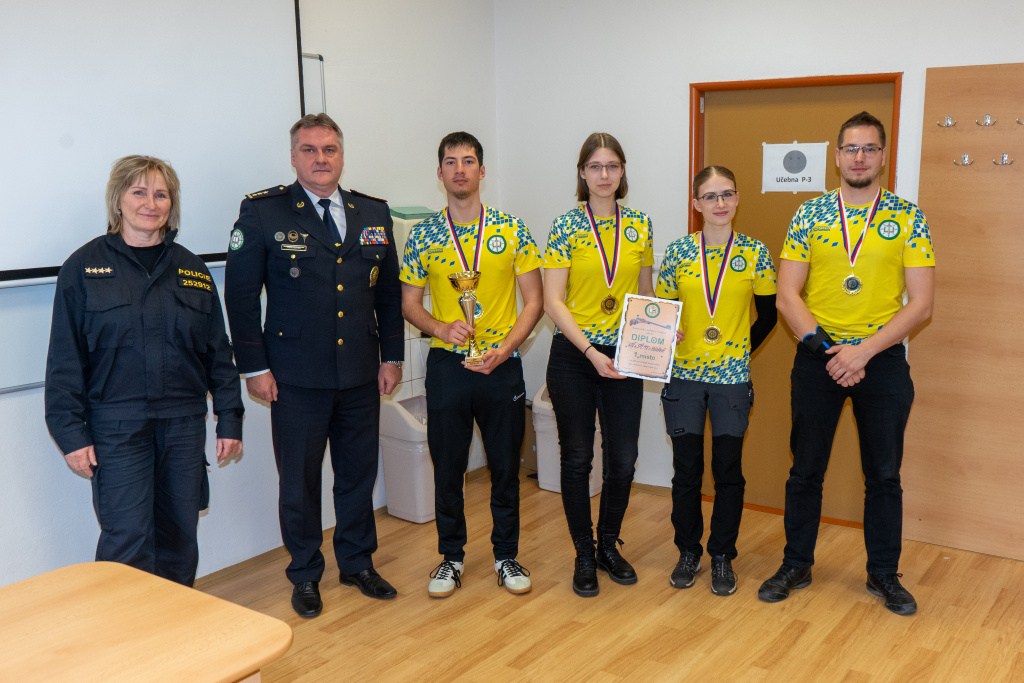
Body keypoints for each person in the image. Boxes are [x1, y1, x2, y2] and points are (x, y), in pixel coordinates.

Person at [224, 113, 403, 617]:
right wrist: (254, 367)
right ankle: (304, 572)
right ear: (293, 157)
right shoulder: (265, 212)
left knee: (357, 475)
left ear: (341, 155)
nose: (320, 159)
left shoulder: (373, 212)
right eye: (309, 150)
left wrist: (392, 356)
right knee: (299, 482)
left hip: (361, 372)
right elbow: (240, 297)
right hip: (295, 377)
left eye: (329, 149)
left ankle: (357, 563)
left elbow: (388, 293)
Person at [758, 111, 935, 616]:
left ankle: (884, 574)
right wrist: (830, 351)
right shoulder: (809, 214)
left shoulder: (908, 217)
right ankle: (796, 564)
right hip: (819, 358)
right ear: (836, 157)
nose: (860, 157)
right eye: (851, 149)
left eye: (870, 148)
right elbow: (788, 294)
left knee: (884, 475)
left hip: (882, 361)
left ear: (883, 156)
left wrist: (864, 352)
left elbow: (922, 304)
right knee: (804, 471)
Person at [45, 155, 243, 587]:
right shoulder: (83, 268)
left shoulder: (192, 269)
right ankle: (126, 629)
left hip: (182, 424)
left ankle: (175, 622)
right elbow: (65, 360)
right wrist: (71, 434)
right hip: (117, 426)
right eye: (139, 192)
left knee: (179, 536)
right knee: (127, 539)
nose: (150, 204)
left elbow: (218, 354)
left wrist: (230, 418)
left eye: (161, 194)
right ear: (118, 200)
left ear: (172, 205)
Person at [400, 131, 543, 598]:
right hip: (448, 366)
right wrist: (441, 328)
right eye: (450, 162)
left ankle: (506, 556)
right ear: (439, 173)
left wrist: (507, 348)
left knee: (504, 467)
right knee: (448, 468)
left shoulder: (512, 229)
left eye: (468, 161)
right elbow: (409, 303)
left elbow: (535, 301)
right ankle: (451, 557)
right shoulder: (423, 235)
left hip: (502, 366)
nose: (459, 170)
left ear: (482, 171)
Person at [655, 166, 777, 596]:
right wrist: (670, 333)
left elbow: (769, 315)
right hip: (683, 378)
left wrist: (740, 351)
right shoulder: (678, 252)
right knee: (686, 471)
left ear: (738, 198)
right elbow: (662, 314)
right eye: (710, 196)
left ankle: (722, 554)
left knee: (728, 471)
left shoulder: (756, 253)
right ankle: (688, 551)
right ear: (696, 204)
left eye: (727, 194)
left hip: (731, 380)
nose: (719, 203)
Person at [542, 132, 654, 597]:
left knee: (623, 459)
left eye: (612, 166)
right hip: (575, 355)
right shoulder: (565, 226)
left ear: (623, 171)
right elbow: (553, 301)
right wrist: (591, 351)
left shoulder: (640, 225)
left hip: (625, 354)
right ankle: (583, 554)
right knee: (578, 458)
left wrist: (660, 330)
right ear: (582, 174)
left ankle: (608, 544)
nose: (604, 175)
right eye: (595, 166)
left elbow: (645, 293)